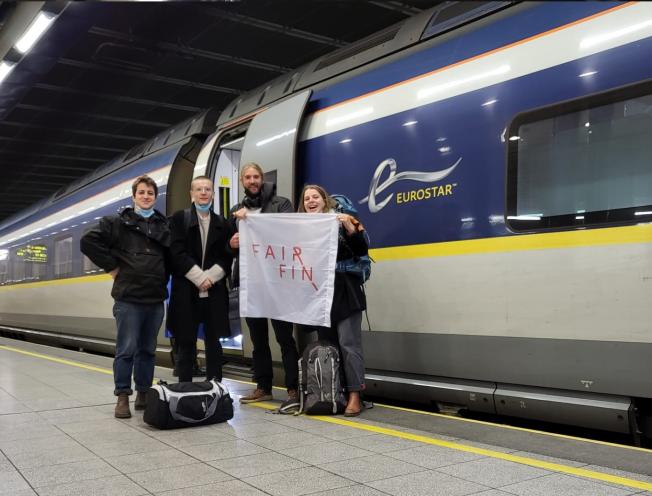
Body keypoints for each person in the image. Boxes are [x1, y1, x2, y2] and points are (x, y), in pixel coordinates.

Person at [81, 175, 170, 419]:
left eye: (150, 193)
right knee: (126, 349)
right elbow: (87, 240)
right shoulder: (117, 223)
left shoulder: (163, 225)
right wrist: (111, 267)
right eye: (141, 192)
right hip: (128, 299)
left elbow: (172, 257)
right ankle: (122, 396)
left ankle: (143, 393)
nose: (145, 196)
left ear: (155, 197)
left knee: (148, 350)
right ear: (134, 197)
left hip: (154, 299)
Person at [229, 162, 300, 412]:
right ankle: (263, 386)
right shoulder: (236, 210)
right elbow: (229, 247)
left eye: (256, 176)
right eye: (247, 177)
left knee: (284, 338)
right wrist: (232, 242)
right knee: (258, 340)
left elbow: (288, 233)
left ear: (262, 179)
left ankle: (293, 388)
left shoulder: (281, 204)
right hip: (252, 283)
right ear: (243, 182)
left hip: (278, 282)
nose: (252, 180)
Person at [298, 184, 368, 416]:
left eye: (315, 197)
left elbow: (361, 249)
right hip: (320, 294)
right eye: (307, 198)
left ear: (324, 200)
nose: (311, 201)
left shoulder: (340, 220)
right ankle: (332, 394)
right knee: (327, 346)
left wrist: (348, 226)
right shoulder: (300, 229)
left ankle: (355, 396)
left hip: (344, 289)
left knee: (349, 345)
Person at [167, 176, 233, 383]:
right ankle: (184, 389)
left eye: (207, 189)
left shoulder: (222, 223)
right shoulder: (179, 219)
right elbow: (175, 252)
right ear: (191, 194)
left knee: (214, 343)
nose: (203, 193)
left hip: (213, 292)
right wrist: (199, 277)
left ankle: (215, 389)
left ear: (213, 194)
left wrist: (210, 278)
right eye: (199, 189)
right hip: (187, 291)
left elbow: (227, 255)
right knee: (186, 343)